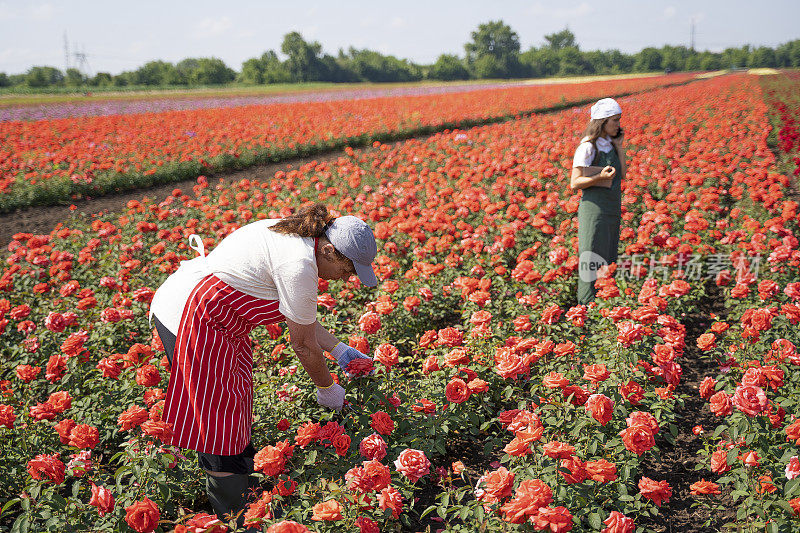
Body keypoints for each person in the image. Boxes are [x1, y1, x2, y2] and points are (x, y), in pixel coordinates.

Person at [148, 203, 377, 526]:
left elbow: (301, 320)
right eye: (348, 269)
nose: (347, 278)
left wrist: (339, 349)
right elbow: (302, 344)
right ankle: (236, 515)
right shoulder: (299, 265)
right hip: (193, 317)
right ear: (329, 250)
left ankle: (248, 493)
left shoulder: (299, 239)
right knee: (215, 420)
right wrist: (327, 388)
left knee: (236, 402)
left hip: (220, 321)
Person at [570, 97, 626, 304]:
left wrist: (620, 147)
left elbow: (623, 174)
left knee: (609, 256)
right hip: (593, 209)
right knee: (591, 257)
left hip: (611, 206)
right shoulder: (588, 147)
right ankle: (586, 306)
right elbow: (574, 183)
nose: (618, 125)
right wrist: (599, 178)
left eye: (618, 120)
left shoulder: (610, 145)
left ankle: (604, 301)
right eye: (615, 121)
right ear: (602, 122)